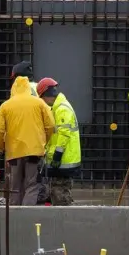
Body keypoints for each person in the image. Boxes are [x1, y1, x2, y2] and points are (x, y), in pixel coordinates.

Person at [0, 73, 54, 206]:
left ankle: (14, 217)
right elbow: (50, 126)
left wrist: (0, 148)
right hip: (34, 152)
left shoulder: (5, 106)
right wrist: (44, 142)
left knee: (15, 187)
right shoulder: (39, 103)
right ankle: (27, 216)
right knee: (32, 185)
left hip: (14, 153)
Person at [37, 77, 81, 205]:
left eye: (42, 98)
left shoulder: (61, 109)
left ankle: (66, 219)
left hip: (64, 159)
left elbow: (63, 134)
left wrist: (57, 155)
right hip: (64, 159)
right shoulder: (58, 107)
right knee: (59, 191)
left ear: (46, 95)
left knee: (60, 193)